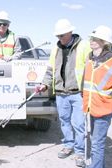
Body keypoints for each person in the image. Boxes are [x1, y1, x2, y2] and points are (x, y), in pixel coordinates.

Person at [35, 19, 91, 167]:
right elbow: (50, 70)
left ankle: (79, 152)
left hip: (78, 93)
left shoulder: (84, 46)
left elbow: (91, 69)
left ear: (70, 32)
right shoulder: (56, 48)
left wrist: (88, 90)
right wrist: (44, 84)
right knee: (65, 122)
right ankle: (68, 145)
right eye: (58, 36)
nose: (59, 38)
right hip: (61, 93)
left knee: (78, 124)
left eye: (62, 35)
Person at [82, 25, 112, 168]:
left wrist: (111, 100)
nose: (92, 41)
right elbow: (86, 83)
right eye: (92, 38)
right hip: (91, 107)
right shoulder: (90, 59)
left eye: (96, 39)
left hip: (104, 109)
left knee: (97, 144)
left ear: (104, 42)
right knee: (94, 141)